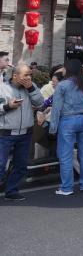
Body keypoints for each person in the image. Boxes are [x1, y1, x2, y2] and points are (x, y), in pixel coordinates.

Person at [50, 58, 83, 195]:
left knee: (65, 155)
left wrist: (53, 127)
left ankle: (67, 188)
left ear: (68, 69)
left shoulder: (62, 85)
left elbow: (56, 108)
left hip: (68, 120)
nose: (62, 70)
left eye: (64, 67)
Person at [0, 63, 45, 201]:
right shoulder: (2, 87)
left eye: (30, 75)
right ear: (15, 76)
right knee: (0, 165)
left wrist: (31, 88)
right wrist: (8, 106)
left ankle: (12, 191)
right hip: (5, 133)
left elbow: (40, 103)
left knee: (20, 165)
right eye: (25, 75)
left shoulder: (31, 87)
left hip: (25, 133)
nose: (28, 78)